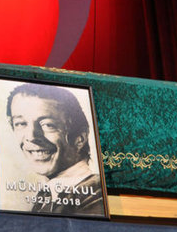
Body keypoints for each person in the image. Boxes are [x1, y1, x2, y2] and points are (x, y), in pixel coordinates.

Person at [6, 82, 104, 216]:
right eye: (21, 123)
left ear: (79, 138)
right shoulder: (46, 196)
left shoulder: (96, 196)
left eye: (48, 125)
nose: (31, 137)